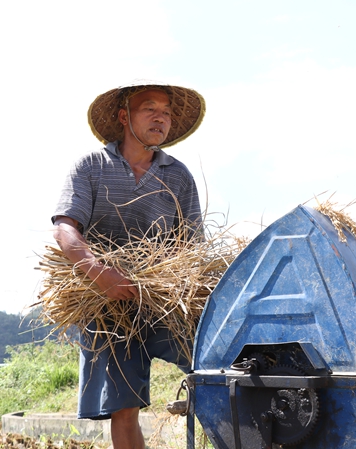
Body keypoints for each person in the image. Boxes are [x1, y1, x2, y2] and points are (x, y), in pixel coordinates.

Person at [51, 80, 206, 449]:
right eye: (149, 108)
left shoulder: (177, 176)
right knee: (123, 408)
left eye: (166, 112)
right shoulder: (91, 167)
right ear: (124, 117)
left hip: (162, 300)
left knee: (215, 369)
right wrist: (102, 274)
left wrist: (187, 289)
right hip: (106, 307)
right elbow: (64, 231)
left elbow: (192, 248)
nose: (161, 118)